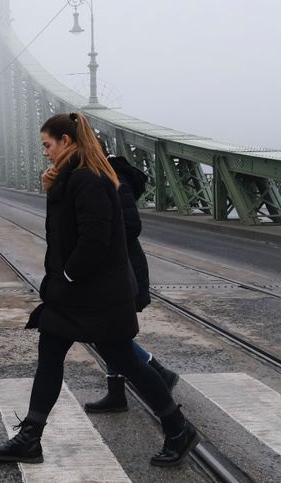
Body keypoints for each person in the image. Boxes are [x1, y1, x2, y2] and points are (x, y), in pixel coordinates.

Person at [0, 113, 198, 468]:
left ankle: (178, 428)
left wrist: (67, 276)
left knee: (127, 360)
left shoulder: (87, 179)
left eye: (48, 145)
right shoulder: (73, 177)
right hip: (77, 296)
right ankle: (31, 437)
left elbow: (95, 238)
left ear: (66, 141)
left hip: (96, 296)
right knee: (51, 354)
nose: (45, 153)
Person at [82, 154, 178, 413]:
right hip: (112, 270)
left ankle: (157, 374)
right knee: (112, 333)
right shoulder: (99, 177)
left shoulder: (114, 179)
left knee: (110, 334)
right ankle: (118, 393)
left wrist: (99, 236)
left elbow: (131, 224)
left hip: (123, 271)